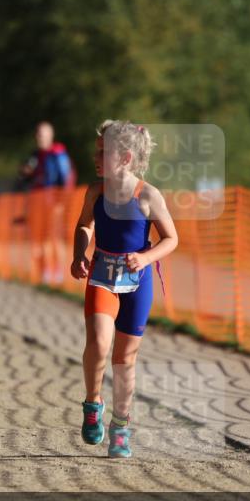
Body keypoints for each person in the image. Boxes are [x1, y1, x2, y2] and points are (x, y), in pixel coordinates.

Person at [71, 120, 178, 459]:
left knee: (124, 358)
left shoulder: (148, 195)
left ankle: (120, 427)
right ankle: (93, 403)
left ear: (126, 157)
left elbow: (172, 238)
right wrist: (79, 254)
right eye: (97, 150)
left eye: (105, 152)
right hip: (102, 273)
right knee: (99, 342)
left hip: (136, 282)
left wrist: (145, 257)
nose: (96, 157)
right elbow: (85, 224)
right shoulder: (96, 191)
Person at [19, 122, 76, 284]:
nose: (39, 137)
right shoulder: (35, 155)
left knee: (53, 238)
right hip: (37, 202)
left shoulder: (58, 153)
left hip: (54, 203)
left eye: (42, 133)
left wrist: (61, 203)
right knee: (39, 238)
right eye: (37, 133)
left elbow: (65, 179)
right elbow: (28, 177)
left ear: (50, 135)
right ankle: (43, 273)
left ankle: (57, 274)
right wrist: (25, 173)